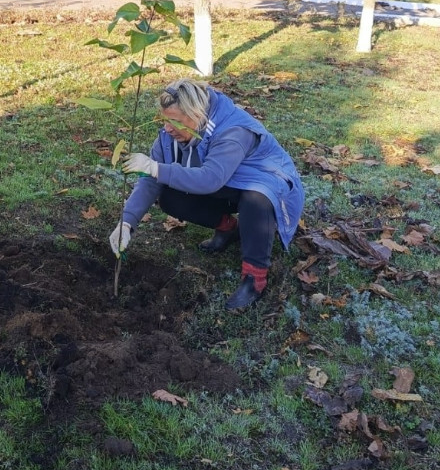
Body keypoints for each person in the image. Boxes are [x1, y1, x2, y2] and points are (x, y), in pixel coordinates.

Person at [109, 79, 304, 310]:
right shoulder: (168, 136)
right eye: (165, 120)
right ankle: (229, 228)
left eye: (175, 121)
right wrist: (127, 222)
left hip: (264, 182)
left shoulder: (233, 131)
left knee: (257, 200)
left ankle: (254, 277)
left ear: (198, 115)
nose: (168, 128)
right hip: (227, 183)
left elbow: (211, 178)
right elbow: (152, 181)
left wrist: (155, 167)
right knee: (171, 196)